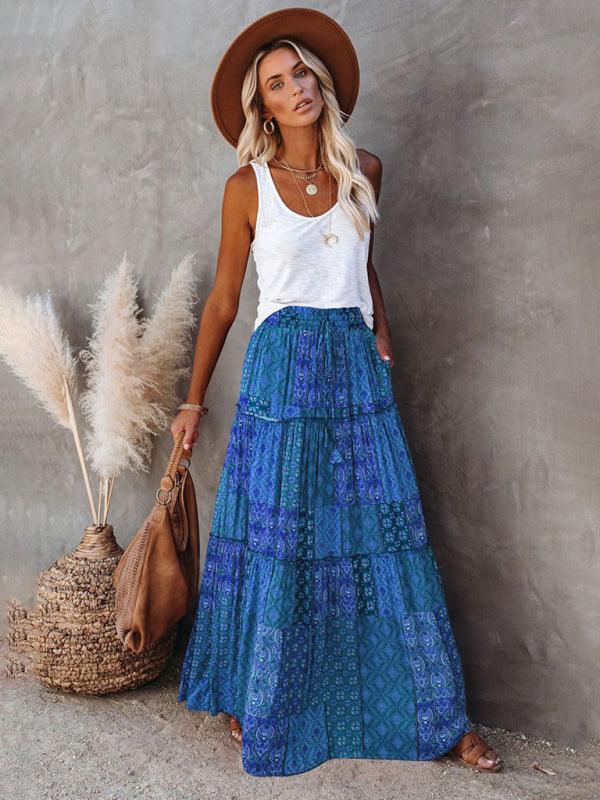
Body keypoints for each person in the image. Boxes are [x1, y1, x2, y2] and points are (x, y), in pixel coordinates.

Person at [172, 7, 502, 778]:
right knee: (279, 539)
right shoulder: (246, 186)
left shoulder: (365, 171)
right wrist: (192, 401)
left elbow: (361, 262)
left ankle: (440, 719)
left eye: (301, 73)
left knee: (385, 539)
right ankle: (254, 695)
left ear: (320, 82)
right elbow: (224, 301)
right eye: (277, 83)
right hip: (282, 369)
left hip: (353, 365)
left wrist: (381, 329)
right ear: (264, 107)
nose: (296, 88)